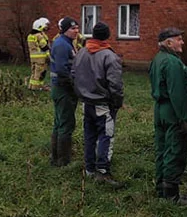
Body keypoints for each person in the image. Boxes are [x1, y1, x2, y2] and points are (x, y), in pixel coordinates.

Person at [72, 22, 124, 187]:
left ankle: (89, 168)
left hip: (86, 103)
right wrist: (117, 102)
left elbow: (73, 75)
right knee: (105, 136)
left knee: (89, 135)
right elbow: (115, 85)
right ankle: (102, 171)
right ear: (107, 35)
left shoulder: (81, 52)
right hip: (103, 104)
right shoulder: (110, 56)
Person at [149, 27, 187, 202]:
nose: (182, 42)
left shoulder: (157, 59)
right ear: (169, 42)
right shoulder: (172, 62)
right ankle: (171, 194)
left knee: (161, 149)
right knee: (174, 150)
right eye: (178, 39)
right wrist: (183, 118)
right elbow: (177, 92)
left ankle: (161, 188)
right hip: (173, 111)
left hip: (160, 109)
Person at [49, 16, 80, 167]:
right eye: (73, 29)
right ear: (65, 30)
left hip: (63, 88)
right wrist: (74, 85)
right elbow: (62, 70)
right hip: (63, 89)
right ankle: (62, 160)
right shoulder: (62, 45)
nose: (76, 31)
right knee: (66, 124)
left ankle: (56, 157)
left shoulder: (67, 43)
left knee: (60, 122)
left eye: (77, 28)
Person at [27, 17, 51, 90]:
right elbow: (44, 46)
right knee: (40, 73)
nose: (46, 27)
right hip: (41, 58)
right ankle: (37, 87)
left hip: (33, 58)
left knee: (34, 72)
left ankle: (31, 86)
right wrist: (49, 56)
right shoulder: (39, 36)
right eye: (45, 25)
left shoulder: (30, 36)